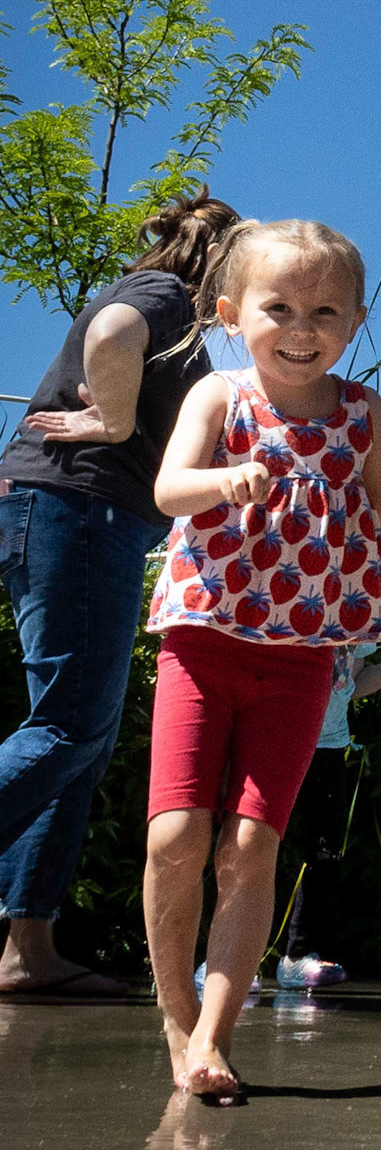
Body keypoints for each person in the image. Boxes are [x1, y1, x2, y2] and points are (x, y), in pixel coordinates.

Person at [141, 217, 381, 1099]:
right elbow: (168, 488)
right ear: (231, 313)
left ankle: (213, 1036)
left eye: (324, 311)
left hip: (304, 654)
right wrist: (223, 480)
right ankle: (175, 1016)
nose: (301, 328)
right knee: (175, 834)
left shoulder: (359, 409)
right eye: (278, 308)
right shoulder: (220, 396)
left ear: (354, 322)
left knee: (251, 843)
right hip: (204, 638)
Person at [0, 189, 240, 997]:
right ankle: (27, 944)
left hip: (77, 515)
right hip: (78, 510)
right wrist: (110, 421)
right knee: (69, 727)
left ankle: (27, 949)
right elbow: (112, 332)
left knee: (82, 738)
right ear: (219, 261)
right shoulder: (164, 294)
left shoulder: (176, 318)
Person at [276, 618, 381, 989]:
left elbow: (353, 684)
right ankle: (222, 963)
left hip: (330, 744)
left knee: (323, 852)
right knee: (253, 843)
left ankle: (298, 956)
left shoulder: (360, 605)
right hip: (278, 737)